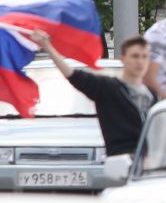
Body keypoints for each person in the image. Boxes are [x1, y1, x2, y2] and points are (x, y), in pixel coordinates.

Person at [28, 30, 154, 158]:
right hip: (122, 161)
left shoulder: (151, 93)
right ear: (123, 58)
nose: (140, 62)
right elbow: (73, 75)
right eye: (135, 56)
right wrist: (48, 47)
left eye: (144, 56)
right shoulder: (108, 87)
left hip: (150, 165)